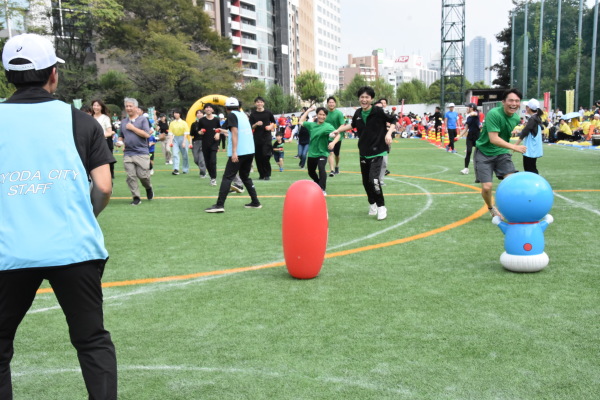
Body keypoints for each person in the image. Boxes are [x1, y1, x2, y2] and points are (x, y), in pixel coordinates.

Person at [0, 33, 117, 398]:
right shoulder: (81, 121)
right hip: (73, 248)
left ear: (8, 76)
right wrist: (87, 215)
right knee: (91, 340)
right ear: (53, 74)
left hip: (9, 251)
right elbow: (104, 186)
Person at [333, 86, 396, 220]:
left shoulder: (378, 111)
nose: (364, 99)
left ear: (371, 99)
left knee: (374, 180)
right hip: (364, 151)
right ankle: (372, 204)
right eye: (362, 97)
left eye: (367, 97)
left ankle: (381, 207)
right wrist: (339, 130)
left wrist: (389, 133)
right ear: (359, 99)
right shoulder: (358, 113)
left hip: (378, 151)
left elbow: (393, 120)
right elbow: (353, 125)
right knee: (366, 182)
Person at [474, 88, 527, 219]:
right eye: (511, 100)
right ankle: (491, 208)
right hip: (484, 152)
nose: (514, 104)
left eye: (517, 101)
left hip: (502, 153)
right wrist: (515, 147)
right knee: (487, 187)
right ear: (503, 102)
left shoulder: (515, 118)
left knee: (511, 183)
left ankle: (510, 208)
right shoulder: (494, 114)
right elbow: (494, 139)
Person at [205, 97, 261, 213]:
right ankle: (255, 202)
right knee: (245, 176)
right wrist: (223, 131)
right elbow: (237, 131)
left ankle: (219, 205)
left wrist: (234, 152)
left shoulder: (231, 115)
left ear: (227, 108)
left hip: (239, 152)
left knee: (227, 177)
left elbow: (235, 132)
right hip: (249, 150)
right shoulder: (243, 115)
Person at [121, 97, 154, 205]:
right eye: (126, 106)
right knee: (131, 176)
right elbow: (121, 136)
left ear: (136, 107)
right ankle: (136, 197)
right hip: (128, 153)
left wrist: (133, 128)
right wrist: (119, 142)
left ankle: (148, 187)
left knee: (143, 176)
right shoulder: (123, 122)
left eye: (130, 106)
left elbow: (146, 134)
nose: (128, 108)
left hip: (141, 152)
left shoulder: (143, 120)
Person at [300, 106, 337, 195]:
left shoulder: (328, 126)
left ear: (326, 116)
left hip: (322, 152)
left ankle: (322, 189)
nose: (322, 116)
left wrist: (333, 143)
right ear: (317, 115)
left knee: (321, 168)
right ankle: (317, 183)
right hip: (312, 153)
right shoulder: (311, 125)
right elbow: (301, 121)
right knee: (311, 172)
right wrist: (308, 111)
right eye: (320, 114)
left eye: (324, 115)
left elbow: (338, 134)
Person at [249, 97, 276, 180]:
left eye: (261, 102)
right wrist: (256, 124)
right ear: (255, 104)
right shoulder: (253, 114)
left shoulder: (268, 113)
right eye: (257, 102)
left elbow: (273, 122)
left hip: (266, 137)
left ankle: (267, 174)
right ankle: (261, 174)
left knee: (266, 155)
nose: (259, 104)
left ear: (263, 103)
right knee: (258, 157)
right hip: (257, 138)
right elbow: (251, 126)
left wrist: (270, 126)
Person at [195, 103, 222, 186]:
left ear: (213, 110)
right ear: (204, 110)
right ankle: (211, 176)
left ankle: (213, 178)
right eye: (206, 107)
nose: (208, 109)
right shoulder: (202, 120)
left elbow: (220, 129)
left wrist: (218, 134)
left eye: (210, 107)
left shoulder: (216, 120)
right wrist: (200, 132)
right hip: (205, 143)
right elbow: (198, 131)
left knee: (213, 161)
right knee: (207, 162)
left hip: (214, 143)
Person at [515, 99, 544, 174]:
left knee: (529, 168)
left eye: (526, 106)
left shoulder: (532, 119)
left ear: (529, 108)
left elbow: (525, 132)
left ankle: (535, 180)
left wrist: (515, 145)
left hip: (530, 148)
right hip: (534, 148)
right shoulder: (537, 117)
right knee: (532, 167)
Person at [92, 99, 116, 178]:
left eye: (98, 105)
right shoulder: (90, 117)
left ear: (101, 107)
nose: (96, 107)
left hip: (103, 143)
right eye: (94, 105)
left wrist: (100, 136)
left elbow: (110, 132)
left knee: (105, 163)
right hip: (92, 144)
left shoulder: (105, 118)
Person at [324, 96, 346, 177]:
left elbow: (342, 124)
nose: (331, 104)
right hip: (328, 137)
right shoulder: (325, 113)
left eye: (332, 102)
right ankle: (332, 170)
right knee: (330, 152)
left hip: (338, 136)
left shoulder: (339, 113)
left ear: (335, 104)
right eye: (329, 102)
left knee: (337, 154)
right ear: (327, 104)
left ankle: (336, 166)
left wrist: (336, 131)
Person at [459, 103, 481, 174]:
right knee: (468, 151)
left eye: (468, 107)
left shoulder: (476, 114)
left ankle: (482, 168)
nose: (466, 109)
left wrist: (472, 113)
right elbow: (466, 129)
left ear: (471, 108)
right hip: (470, 136)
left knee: (479, 153)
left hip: (477, 136)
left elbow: (475, 113)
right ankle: (466, 168)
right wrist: (459, 136)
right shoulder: (468, 117)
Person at [169, 110, 190, 175]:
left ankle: (185, 169)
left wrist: (184, 142)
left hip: (183, 138)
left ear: (180, 114)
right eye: (175, 113)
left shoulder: (184, 123)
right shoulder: (172, 123)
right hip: (175, 139)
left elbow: (186, 133)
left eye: (177, 113)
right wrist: (171, 141)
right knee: (175, 154)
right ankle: (176, 169)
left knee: (185, 155)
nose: (175, 114)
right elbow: (170, 133)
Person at [189, 108, 208, 178]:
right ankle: (203, 168)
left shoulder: (206, 123)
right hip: (195, 142)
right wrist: (190, 143)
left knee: (201, 159)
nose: (199, 114)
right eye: (197, 113)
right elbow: (191, 135)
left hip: (204, 142)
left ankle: (203, 173)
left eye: (200, 113)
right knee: (196, 159)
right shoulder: (194, 124)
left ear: (203, 114)